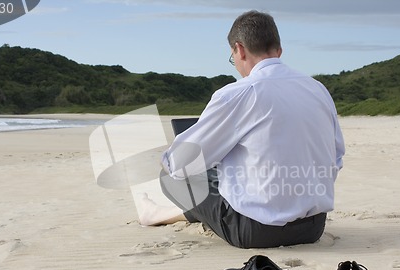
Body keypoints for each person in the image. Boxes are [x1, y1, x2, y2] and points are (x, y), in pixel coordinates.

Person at [139, 10, 345, 249]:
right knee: (230, 173)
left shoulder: (238, 93)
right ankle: (159, 214)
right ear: (278, 50)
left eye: (232, 57)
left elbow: (179, 164)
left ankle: (157, 213)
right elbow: (337, 157)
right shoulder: (318, 89)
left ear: (240, 49)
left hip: (256, 232)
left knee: (172, 176)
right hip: (312, 227)